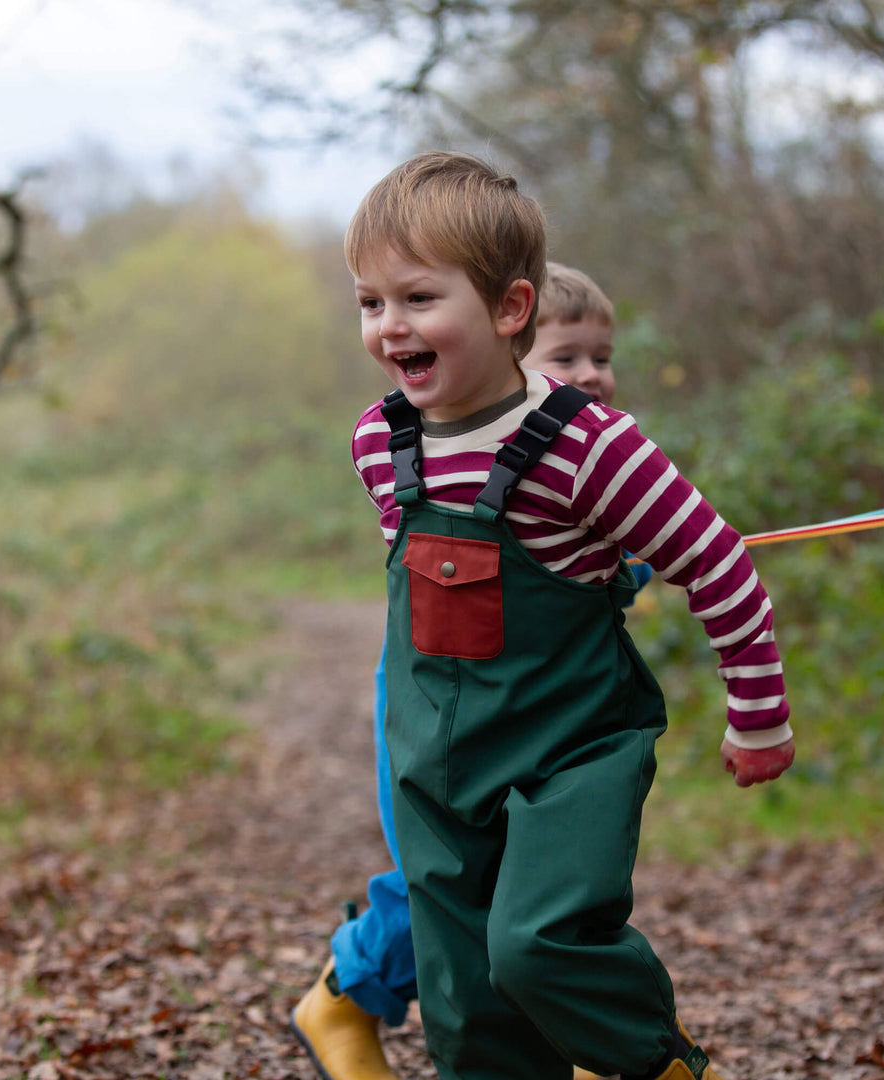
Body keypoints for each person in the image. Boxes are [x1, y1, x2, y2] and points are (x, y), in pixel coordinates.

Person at [341, 150, 794, 1080]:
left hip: (571, 750)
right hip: (441, 761)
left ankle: (662, 1068)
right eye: (371, 302)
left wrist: (758, 718)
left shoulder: (592, 448)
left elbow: (718, 568)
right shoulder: (378, 445)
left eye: (418, 299)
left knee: (538, 943)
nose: (390, 327)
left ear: (510, 310)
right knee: (465, 995)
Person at [290, 262, 651, 1080]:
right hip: (440, 709)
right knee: (455, 877)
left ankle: (587, 1040)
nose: (592, 374)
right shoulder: (426, 440)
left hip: (550, 713)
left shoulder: (595, 460)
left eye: (603, 355)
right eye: (569, 357)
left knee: (541, 888)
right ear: (515, 355)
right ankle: (345, 993)